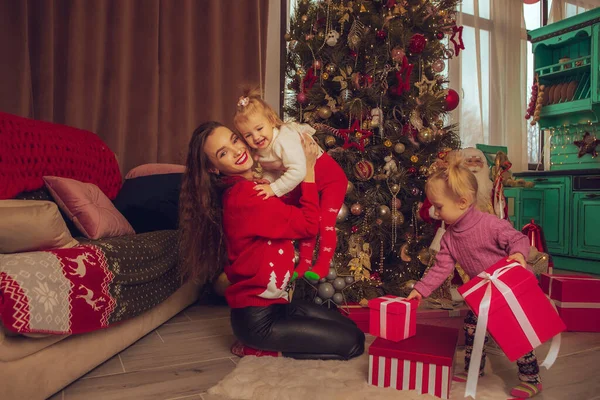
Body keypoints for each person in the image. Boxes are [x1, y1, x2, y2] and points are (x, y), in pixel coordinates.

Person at [178, 121, 364, 360]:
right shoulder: (246, 196)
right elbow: (308, 225)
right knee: (352, 343)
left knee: (351, 329)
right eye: (222, 153)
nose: (236, 151)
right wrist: (307, 170)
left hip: (277, 306)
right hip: (258, 320)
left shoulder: (258, 186)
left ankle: (267, 340)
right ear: (214, 168)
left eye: (234, 140)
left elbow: (288, 215)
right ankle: (258, 348)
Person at [406, 152, 542, 399]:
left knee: (515, 332)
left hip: (508, 289)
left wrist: (520, 255)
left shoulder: (490, 224)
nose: (435, 213)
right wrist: (421, 289)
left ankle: (530, 377)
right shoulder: (449, 238)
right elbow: (440, 268)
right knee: (471, 327)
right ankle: (474, 369)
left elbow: (518, 239)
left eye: (439, 207)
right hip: (484, 295)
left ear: (462, 201)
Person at [233, 87, 348, 281]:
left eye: (259, 129)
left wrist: (274, 189)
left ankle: (322, 265)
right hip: (307, 182)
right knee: (305, 220)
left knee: (324, 222)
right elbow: (272, 169)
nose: (256, 138)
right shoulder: (261, 151)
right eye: (248, 135)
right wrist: (268, 181)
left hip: (330, 179)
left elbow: (298, 170)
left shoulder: (283, 141)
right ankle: (303, 264)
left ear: (270, 121)